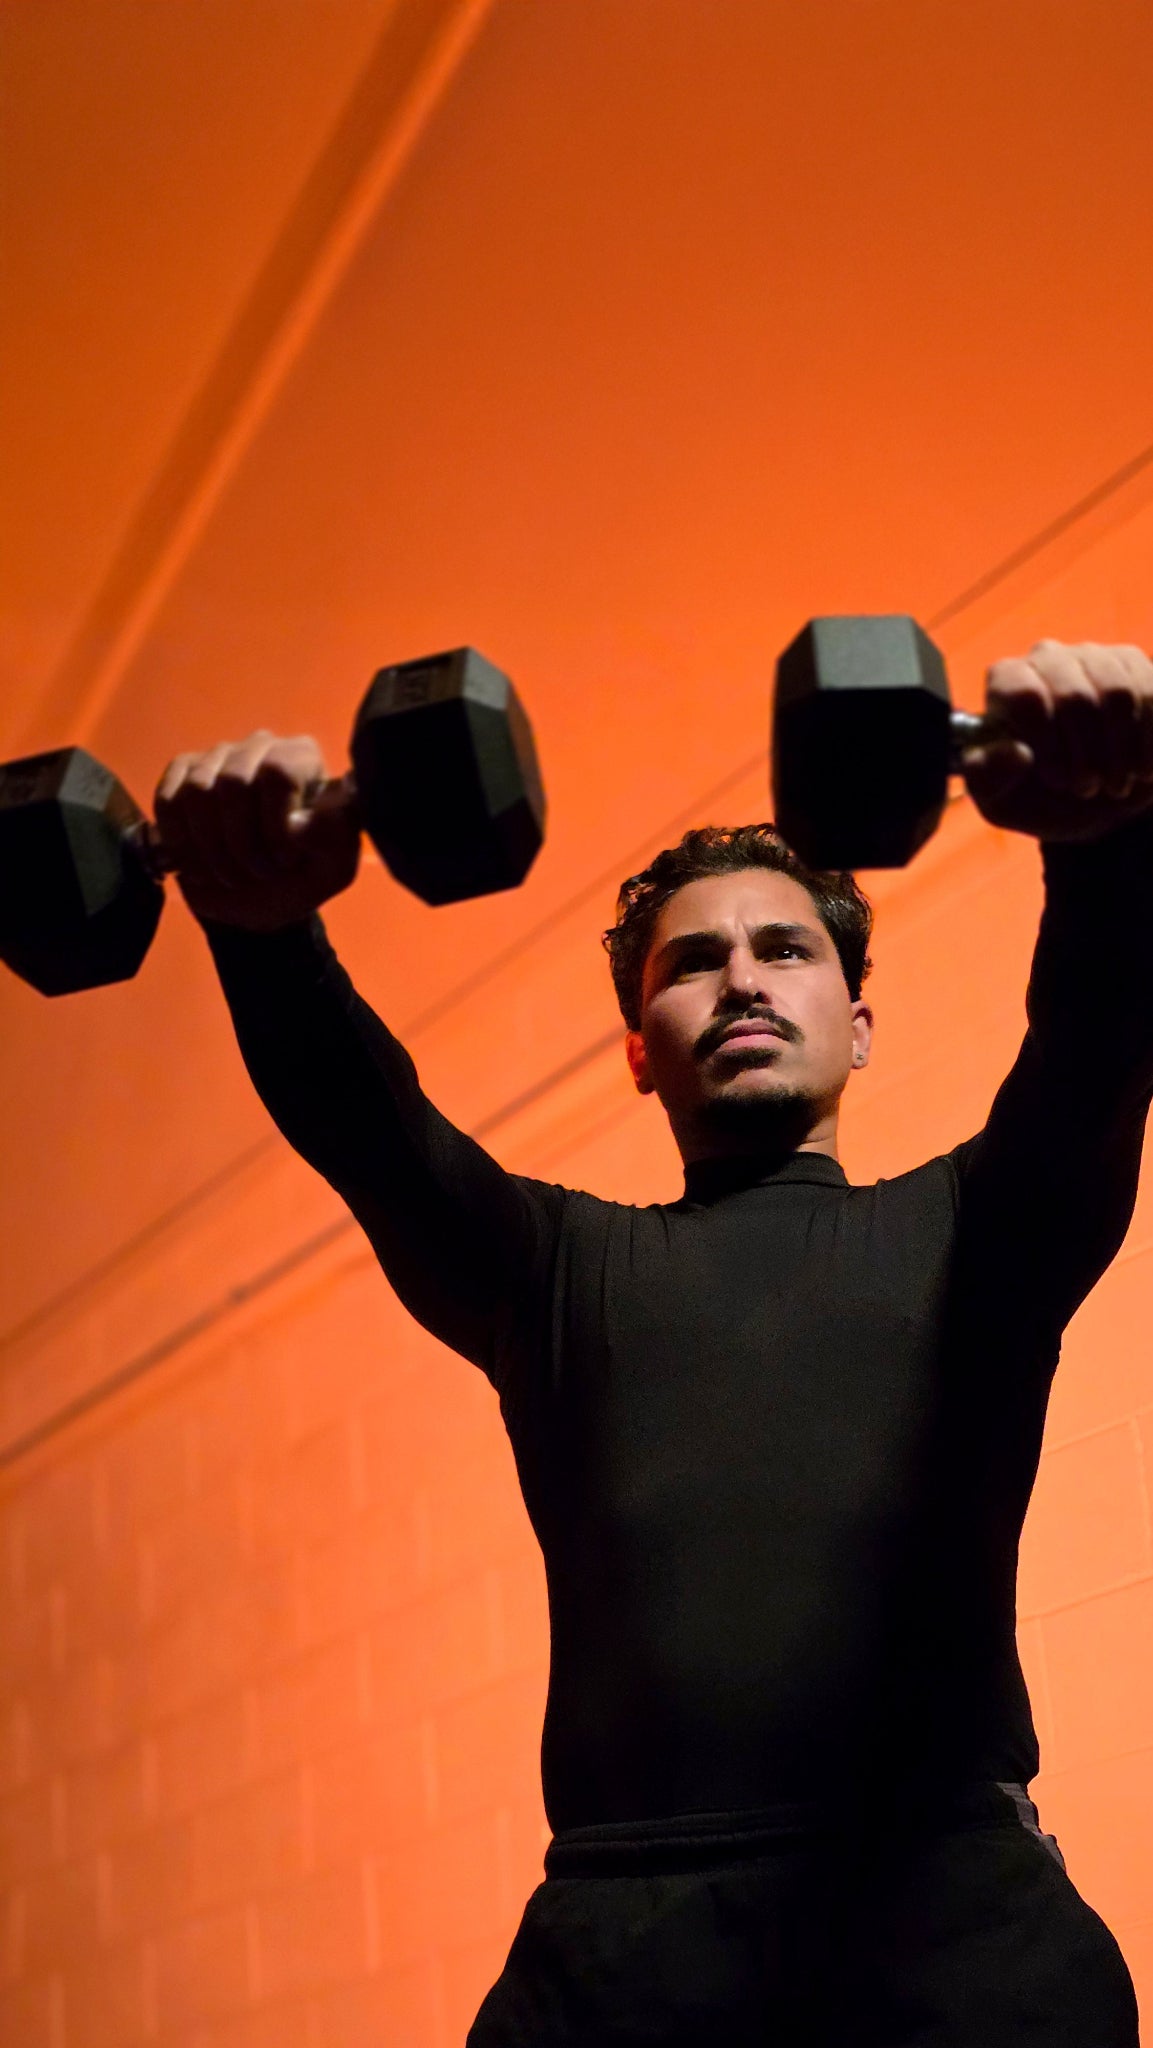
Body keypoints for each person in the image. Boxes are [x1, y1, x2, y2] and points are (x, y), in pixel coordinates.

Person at [156, 639, 1152, 2046]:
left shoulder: (982, 1235)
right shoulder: (555, 1274)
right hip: (628, 1956)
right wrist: (260, 929)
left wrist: (1106, 839)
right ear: (638, 1047)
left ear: (855, 1024)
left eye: (782, 950)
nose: (740, 982)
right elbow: (366, 1130)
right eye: (692, 963)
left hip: (950, 1928)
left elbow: (1099, 1045)